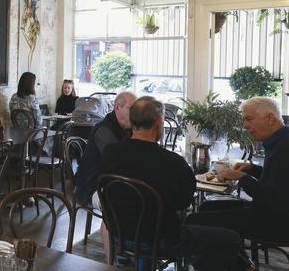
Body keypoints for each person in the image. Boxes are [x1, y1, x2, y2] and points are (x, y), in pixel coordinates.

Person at [100, 96, 247, 271]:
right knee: (230, 239)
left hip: (119, 236)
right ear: (159, 123)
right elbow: (184, 202)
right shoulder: (172, 162)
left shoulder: (110, 153)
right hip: (163, 241)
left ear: (131, 121)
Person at [186, 97, 289, 243]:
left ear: (270, 118)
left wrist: (241, 177)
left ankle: (239, 263)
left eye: (249, 119)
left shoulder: (284, 148)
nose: (245, 126)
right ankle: (234, 257)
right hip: (269, 212)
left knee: (194, 220)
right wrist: (252, 169)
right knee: (208, 206)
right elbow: (277, 181)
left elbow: (274, 200)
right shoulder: (280, 141)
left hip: (277, 223)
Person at [76, 91, 136, 207]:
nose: (135, 114)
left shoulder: (127, 128)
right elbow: (118, 164)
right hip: (91, 188)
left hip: (111, 182)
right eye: (131, 109)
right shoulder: (104, 130)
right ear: (117, 107)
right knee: (130, 204)